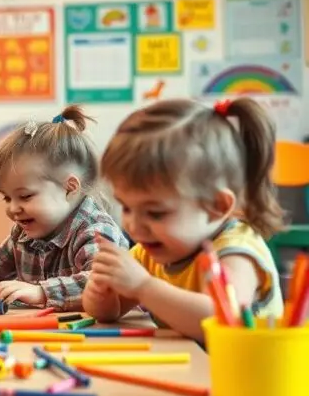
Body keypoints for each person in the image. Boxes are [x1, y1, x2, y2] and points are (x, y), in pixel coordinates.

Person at [84, 98, 285, 341]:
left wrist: (143, 287)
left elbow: (222, 319)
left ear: (217, 206)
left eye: (155, 213)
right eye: (126, 208)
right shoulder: (151, 253)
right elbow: (111, 313)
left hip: (250, 375)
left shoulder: (237, 251)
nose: (134, 226)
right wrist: (100, 291)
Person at [0, 107, 129, 311]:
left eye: (25, 196)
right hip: (47, 335)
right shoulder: (24, 235)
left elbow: (104, 282)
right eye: (7, 198)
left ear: (69, 188)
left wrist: (41, 292)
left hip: (101, 337)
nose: (13, 208)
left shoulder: (96, 230)